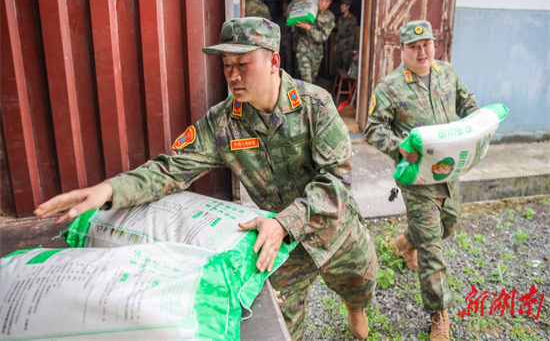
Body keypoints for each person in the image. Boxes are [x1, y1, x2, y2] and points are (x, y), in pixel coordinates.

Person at [34, 17, 377, 341]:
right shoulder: (223, 123)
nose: (233, 75)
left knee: (360, 286)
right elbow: (171, 168)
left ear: (273, 61)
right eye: (227, 65)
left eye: (243, 64)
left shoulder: (315, 105)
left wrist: (287, 222)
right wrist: (109, 190)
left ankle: (354, 307)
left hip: (336, 231)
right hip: (277, 246)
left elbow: (336, 183)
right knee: (279, 327)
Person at [364, 20, 480, 341]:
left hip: (447, 170)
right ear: (401, 49)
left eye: (426, 44)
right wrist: (398, 147)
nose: (421, 51)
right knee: (433, 247)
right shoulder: (390, 87)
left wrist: (479, 121)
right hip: (416, 177)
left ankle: (405, 241)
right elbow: (373, 127)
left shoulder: (446, 73)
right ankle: (438, 315)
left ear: (434, 45)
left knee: (450, 223)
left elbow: (467, 103)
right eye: (413, 47)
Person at [291, 0, 335, 84]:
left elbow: (323, 37)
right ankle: (303, 98)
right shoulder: (307, 9)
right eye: (321, 0)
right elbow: (290, 14)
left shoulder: (330, 17)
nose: (323, 4)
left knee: (312, 80)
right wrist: (295, 0)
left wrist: (309, 28)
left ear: (330, 2)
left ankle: (306, 97)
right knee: (306, 79)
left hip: (316, 54)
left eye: (326, 1)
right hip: (303, 49)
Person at [334, 0, 358, 71]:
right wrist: (336, 44)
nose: (341, 7)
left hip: (346, 46)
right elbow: (338, 32)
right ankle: (337, 82)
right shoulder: (341, 18)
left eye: (343, 5)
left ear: (348, 6)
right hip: (339, 44)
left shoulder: (352, 19)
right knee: (337, 64)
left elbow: (352, 35)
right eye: (341, 5)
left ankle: (344, 82)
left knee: (345, 64)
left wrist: (349, 47)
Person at [275, 0, 293, 76]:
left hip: (289, 42)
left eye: (286, 5)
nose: (284, 7)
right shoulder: (279, 18)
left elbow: (294, 31)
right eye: (283, 6)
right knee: (280, 60)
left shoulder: (291, 18)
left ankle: (289, 76)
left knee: (289, 61)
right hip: (281, 41)